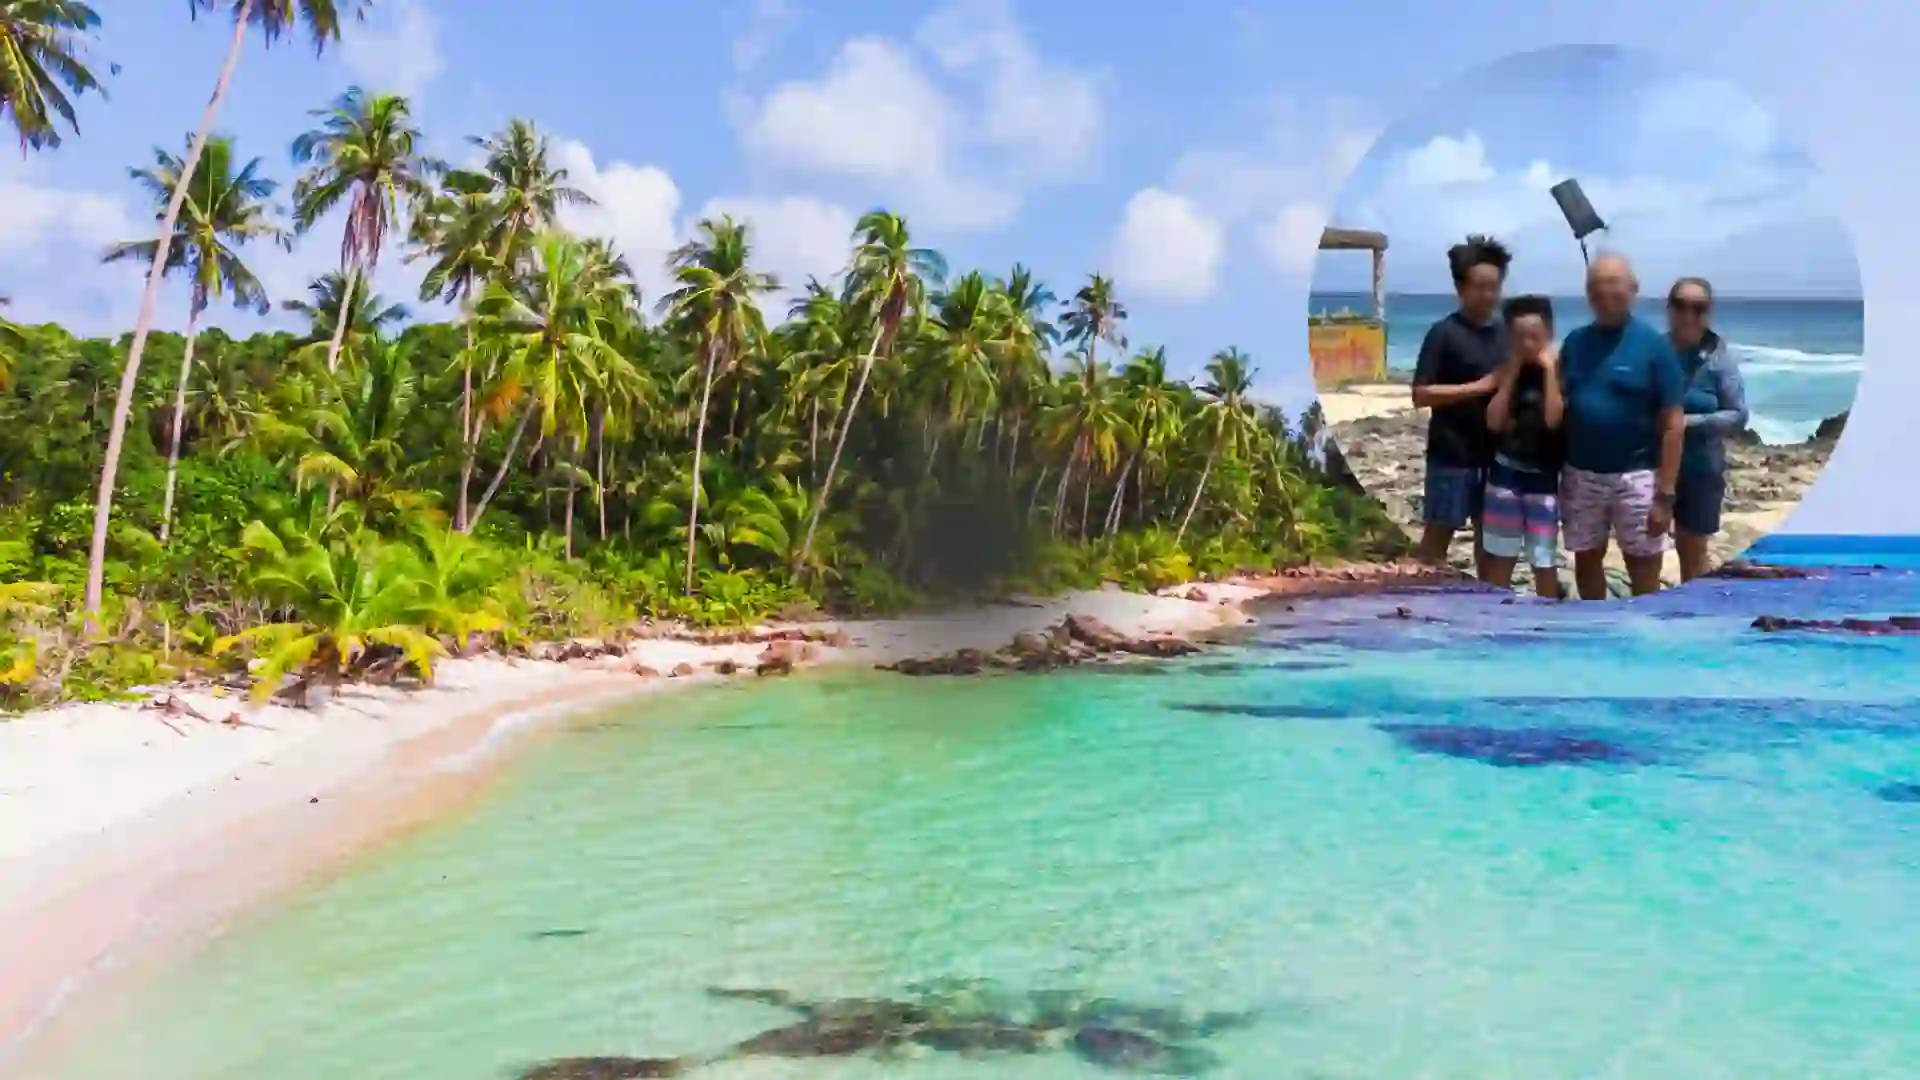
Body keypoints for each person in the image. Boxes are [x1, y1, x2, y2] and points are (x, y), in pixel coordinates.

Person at [1557, 252, 1686, 599]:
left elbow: (1674, 424)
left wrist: (1665, 496)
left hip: (1638, 477)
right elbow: (1559, 405)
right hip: (1580, 475)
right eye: (1595, 286)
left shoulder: (1654, 346)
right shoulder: (1574, 343)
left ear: (1633, 289)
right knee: (1586, 562)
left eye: (1613, 283)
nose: (1604, 292)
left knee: (1644, 567)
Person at [1410, 235, 1511, 572]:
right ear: (1460, 288)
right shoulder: (1443, 333)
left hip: (1496, 459)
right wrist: (1479, 387)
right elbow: (1421, 394)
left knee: (1490, 547)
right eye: (1479, 287)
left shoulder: (1506, 335)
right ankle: (1417, 609)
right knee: (1435, 546)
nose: (1487, 295)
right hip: (1450, 458)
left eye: (1494, 287)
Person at [1481, 295, 1565, 598]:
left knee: (1543, 558)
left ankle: (1548, 618)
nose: (1527, 344)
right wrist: (1512, 373)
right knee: (1501, 556)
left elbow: (1554, 420)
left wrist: (1550, 374)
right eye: (1519, 337)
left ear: (1548, 335)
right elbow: (1493, 421)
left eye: (1535, 337)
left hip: (1543, 478)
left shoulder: (1558, 370)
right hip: (1506, 472)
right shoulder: (1508, 370)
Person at [1666, 276, 1749, 582]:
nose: (1688, 316)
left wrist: (1687, 423)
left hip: (1700, 471)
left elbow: (1739, 415)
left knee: (1693, 554)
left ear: (1708, 312)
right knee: (1643, 552)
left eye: (1698, 309)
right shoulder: (1655, 352)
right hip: (1653, 468)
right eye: (1680, 306)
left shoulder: (1719, 359)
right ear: (1669, 309)